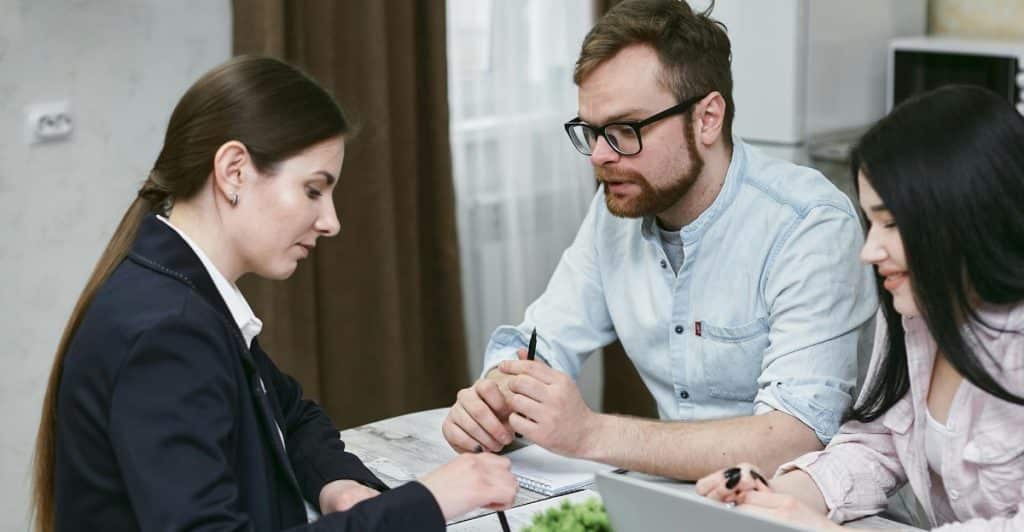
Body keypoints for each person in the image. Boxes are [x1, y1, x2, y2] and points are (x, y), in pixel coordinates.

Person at [31, 56, 517, 532]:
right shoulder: (169, 331)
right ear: (234, 171)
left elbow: (290, 413)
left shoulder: (180, 291)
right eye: (313, 190)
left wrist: (338, 483)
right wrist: (429, 502)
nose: (331, 222)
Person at [441, 0, 876, 480]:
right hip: (678, 502)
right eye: (591, 131)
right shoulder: (619, 211)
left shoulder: (808, 224)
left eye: (626, 130)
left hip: (805, 508)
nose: (600, 157)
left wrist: (589, 434)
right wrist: (497, 394)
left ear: (707, 118)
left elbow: (796, 436)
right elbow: (540, 343)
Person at [696, 85, 1024, 530]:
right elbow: (879, 445)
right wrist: (778, 497)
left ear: (964, 214)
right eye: (872, 223)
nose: (870, 250)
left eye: (891, 223)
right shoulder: (916, 315)